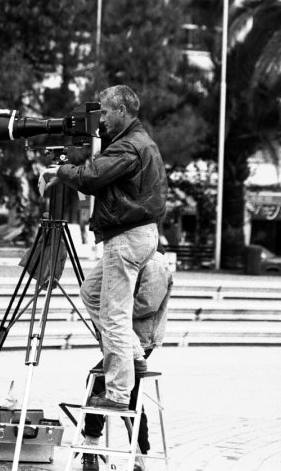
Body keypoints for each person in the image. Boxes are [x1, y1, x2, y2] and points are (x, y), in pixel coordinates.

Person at [42, 85, 167, 411]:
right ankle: (134, 355)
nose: (102, 119)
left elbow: (93, 177)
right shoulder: (136, 142)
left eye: (107, 112)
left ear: (123, 110)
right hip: (136, 235)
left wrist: (61, 170)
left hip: (128, 236)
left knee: (114, 316)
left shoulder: (129, 146)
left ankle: (118, 392)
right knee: (91, 293)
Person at [81, 247, 173, 471]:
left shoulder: (155, 264)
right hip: (121, 336)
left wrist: (112, 308)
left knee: (100, 383)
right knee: (129, 395)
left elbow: (147, 305)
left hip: (140, 339)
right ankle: (138, 455)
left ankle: (92, 446)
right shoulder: (127, 257)